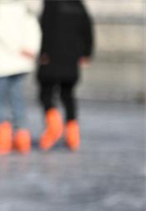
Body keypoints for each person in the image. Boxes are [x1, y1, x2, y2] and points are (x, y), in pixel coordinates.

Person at [0, 0, 41, 154]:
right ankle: (21, 135)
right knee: (17, 98)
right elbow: (34, 28)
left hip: (0, 62)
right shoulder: (23, 7)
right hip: (21, 62)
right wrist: (32, 50)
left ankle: (1, 135)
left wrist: (17, 49)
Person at [36, 0, 93, 152]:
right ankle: (72, 135)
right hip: (72, 58)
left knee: (45, 93)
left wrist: (43, 52)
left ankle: (54, 126)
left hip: (52, 57)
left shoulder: (52, 3)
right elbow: (87, 28)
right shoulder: (78, 4)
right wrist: (87, 52)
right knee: (68, 95)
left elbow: (45, 27)